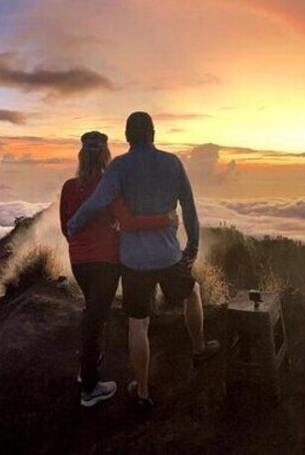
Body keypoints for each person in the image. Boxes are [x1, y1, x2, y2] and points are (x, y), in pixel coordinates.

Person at [67, 112, 220, 411]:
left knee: (138, 323)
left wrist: (74, 224)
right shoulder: (173, 163)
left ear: (127, 137)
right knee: (191, 292)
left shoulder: (120, 167)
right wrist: (193, 246)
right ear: (153, 133)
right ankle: (200, 350)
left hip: (133, 261)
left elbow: (97, 202)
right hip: (167, 254)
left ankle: (143, 392)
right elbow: (189, 208)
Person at [60, 131, 177, 408]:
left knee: (93, 311)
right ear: (106, 155)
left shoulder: (68, 186)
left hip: (79, 262)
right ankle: (89, 388)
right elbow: (128, 222)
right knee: (96, 318)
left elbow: (67, 228)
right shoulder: (109, 186)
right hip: (107, 264)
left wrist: (82, 247)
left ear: (80, 155)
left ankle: (85, 370)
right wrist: (166, 219)